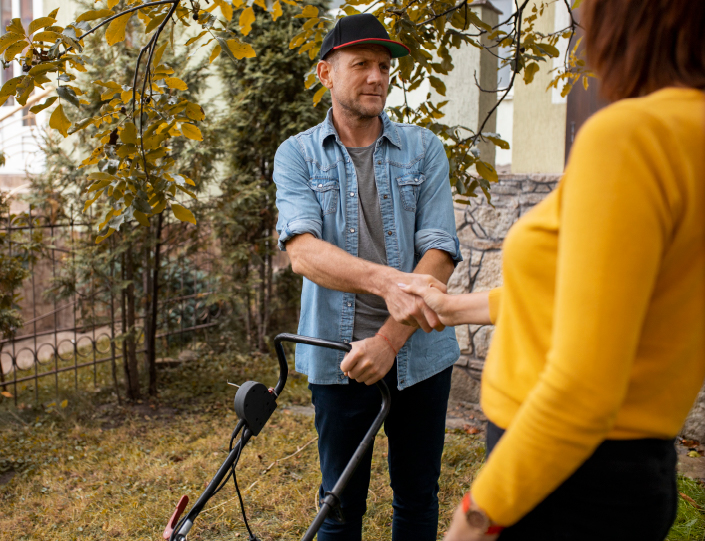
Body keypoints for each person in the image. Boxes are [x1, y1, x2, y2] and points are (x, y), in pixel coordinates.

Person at [400, 1, 705, 539]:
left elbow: (583, 388)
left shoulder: (632, 135)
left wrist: (477, 514)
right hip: (633, 474)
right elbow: (599, 299)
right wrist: (453, 308)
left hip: (565, 478)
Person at [272, 13, 463, 541]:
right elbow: (304, 254)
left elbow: (440, 251)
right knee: (338, 506)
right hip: (339, 358)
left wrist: (388, 339)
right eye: (361, 64)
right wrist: (388, 284)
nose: (377, 76)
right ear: (325, 73)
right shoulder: (298, 155)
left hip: (421, 355)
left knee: (418, 497)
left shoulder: (424, 150)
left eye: (384, 66)